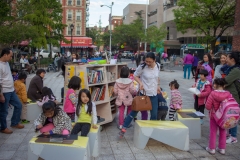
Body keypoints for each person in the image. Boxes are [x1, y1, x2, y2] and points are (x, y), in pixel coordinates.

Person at [119, 52, 161, 137]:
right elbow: (135, 76)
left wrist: (158, 86)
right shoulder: (142, 67)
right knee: (134, 111)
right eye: (146, 61)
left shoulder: (158, 66)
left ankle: (151, 133)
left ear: (154, 60)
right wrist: (140, 83)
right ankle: (124, 128)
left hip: (154, 94)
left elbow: (157, 77)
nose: (148, 63)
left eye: (150, 61)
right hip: (144, 94)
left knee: (154, 114)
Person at [0, 48, 24, 134]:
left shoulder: (6, 63)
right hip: (4, 91)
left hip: (11, 90)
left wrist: (13, 86)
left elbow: (8, 76)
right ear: (5, 55)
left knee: (18, 105)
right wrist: (1, 95)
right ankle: (3, 127)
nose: (11, 58)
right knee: (4, 111)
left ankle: (14, 122)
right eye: (10, 56)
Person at [205, 78, 231, 155]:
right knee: (223, 131)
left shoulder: (212, 94)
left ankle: (211, 148)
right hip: (224, 117)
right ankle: (222, 148)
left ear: (215, 85)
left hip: (214, 116)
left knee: (213, 132)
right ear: (224, 85)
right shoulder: (228, 94)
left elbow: (208, 107)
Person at [224, 52, 240, 144]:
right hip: (231, 97)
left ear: (232, 59)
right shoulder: (231, 69)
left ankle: (233, 136)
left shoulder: (236, 70)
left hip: (234, 98)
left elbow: (226, 81)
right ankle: (230, 134)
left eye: (227, 58)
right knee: (230, 115)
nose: (226, 60)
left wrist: (218, 82)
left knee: (233, 116)